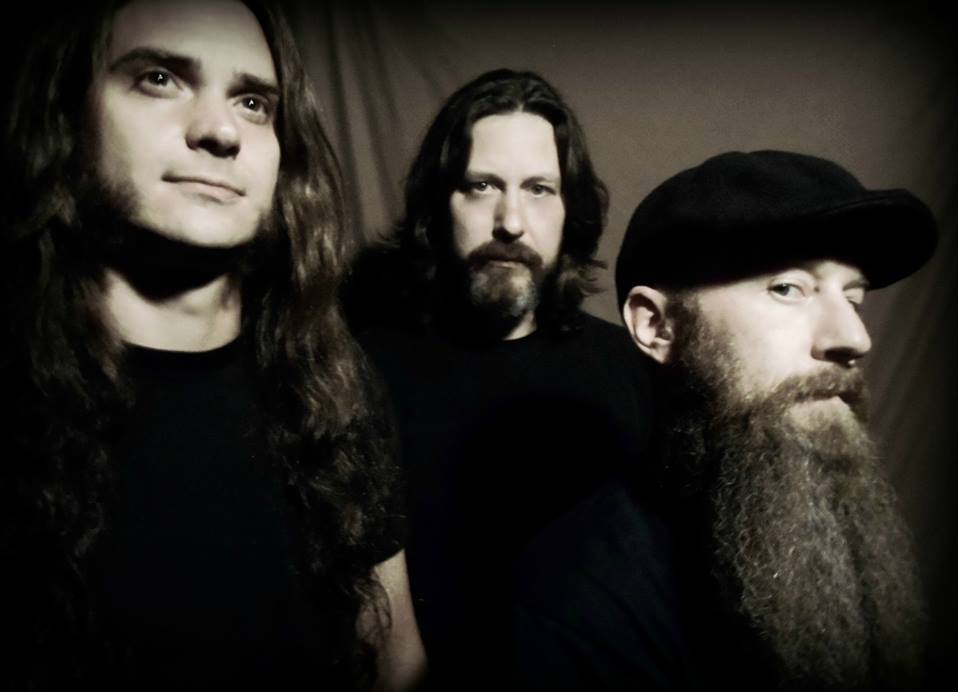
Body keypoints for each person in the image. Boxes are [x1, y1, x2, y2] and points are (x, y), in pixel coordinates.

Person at [0, 1, 425, 690]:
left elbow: (396, 662)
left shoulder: (335, 385)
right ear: (68, 113)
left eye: (253, 103)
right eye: (160, 79)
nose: (221, 131)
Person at [512, 150, 938, 691]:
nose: (855, 337)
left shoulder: (829, 534)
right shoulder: (577, 602)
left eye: (853, 298)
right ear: (656, 326)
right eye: (787, 288)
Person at [345, 69, 652, 688]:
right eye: (481, 186)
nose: (511, 221)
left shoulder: (634, 372)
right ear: (439, 205)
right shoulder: (356, 374)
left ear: (569, 211)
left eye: (539, 189)